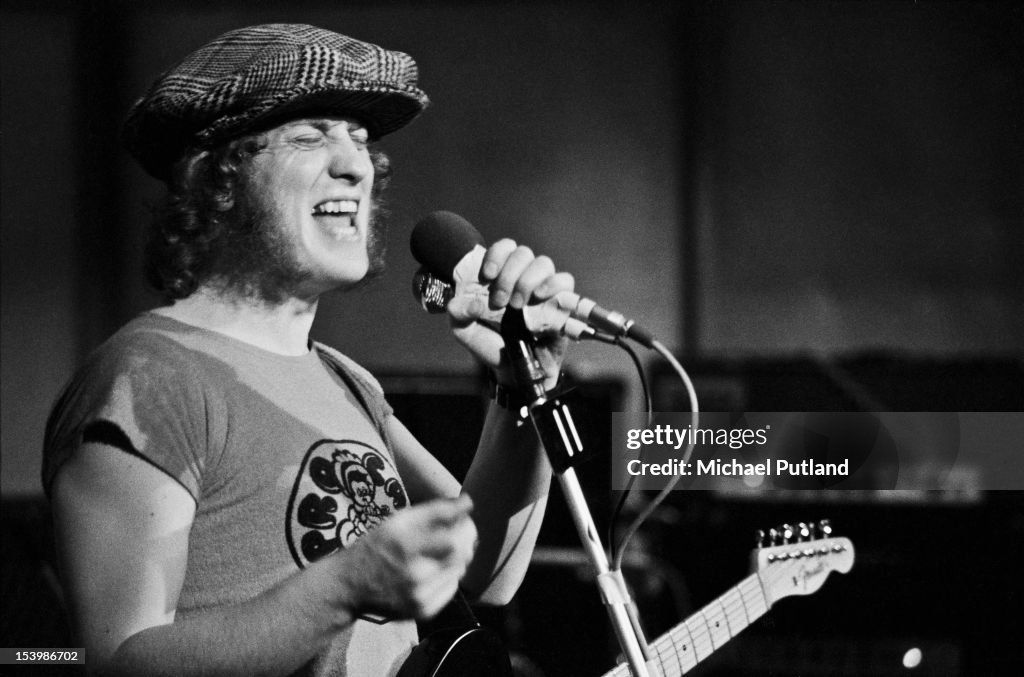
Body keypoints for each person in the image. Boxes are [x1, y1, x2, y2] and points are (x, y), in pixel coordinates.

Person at [42, 23, 574, 677]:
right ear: (214, 177)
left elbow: (483, 568)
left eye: (359, 138)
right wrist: (339, 589)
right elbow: (115, 661)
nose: (355, 163)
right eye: (309, 134)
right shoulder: (148, 377)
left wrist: (522, 385)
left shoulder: (345, 379)